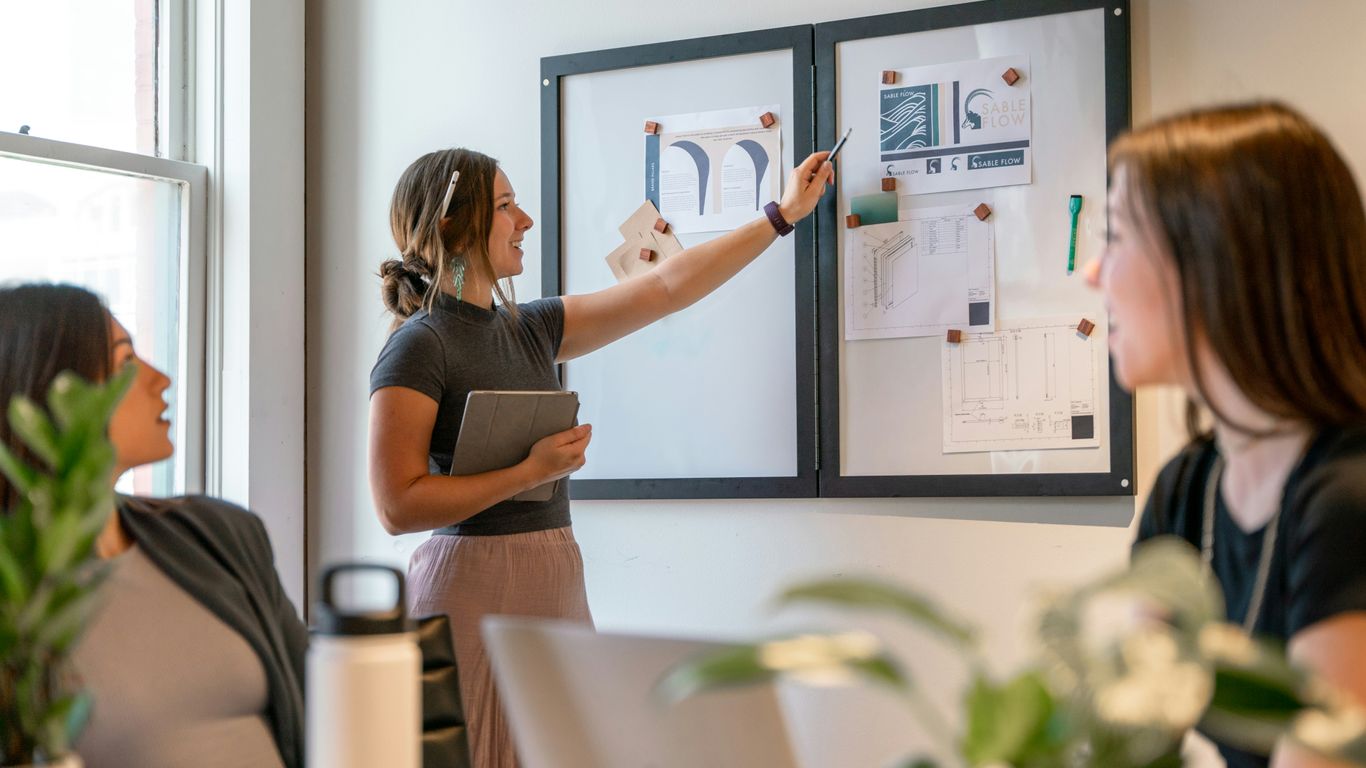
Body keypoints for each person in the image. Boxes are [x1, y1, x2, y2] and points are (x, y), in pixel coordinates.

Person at [368, 147, 832, 765]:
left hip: (554, 581)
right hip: (468, 593)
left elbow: (667, 286)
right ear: (454, 227)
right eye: (506, 206)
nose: (525, 220)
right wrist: (528, 473)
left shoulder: (531, 327)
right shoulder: (418, 346)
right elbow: (397, 505)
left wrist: (782, 215)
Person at [1088, 103, 1366, 767]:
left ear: (1216, 256)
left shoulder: (1348, 498)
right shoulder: (1189, 488)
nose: (1092, 272)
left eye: (1116, 237)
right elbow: (1130, 734)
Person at [0, 283, 308, 768]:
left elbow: (322, 714)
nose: (159, 379)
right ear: (43, 392)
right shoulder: (16, 600)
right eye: (125, 364)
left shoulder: (221, 535)